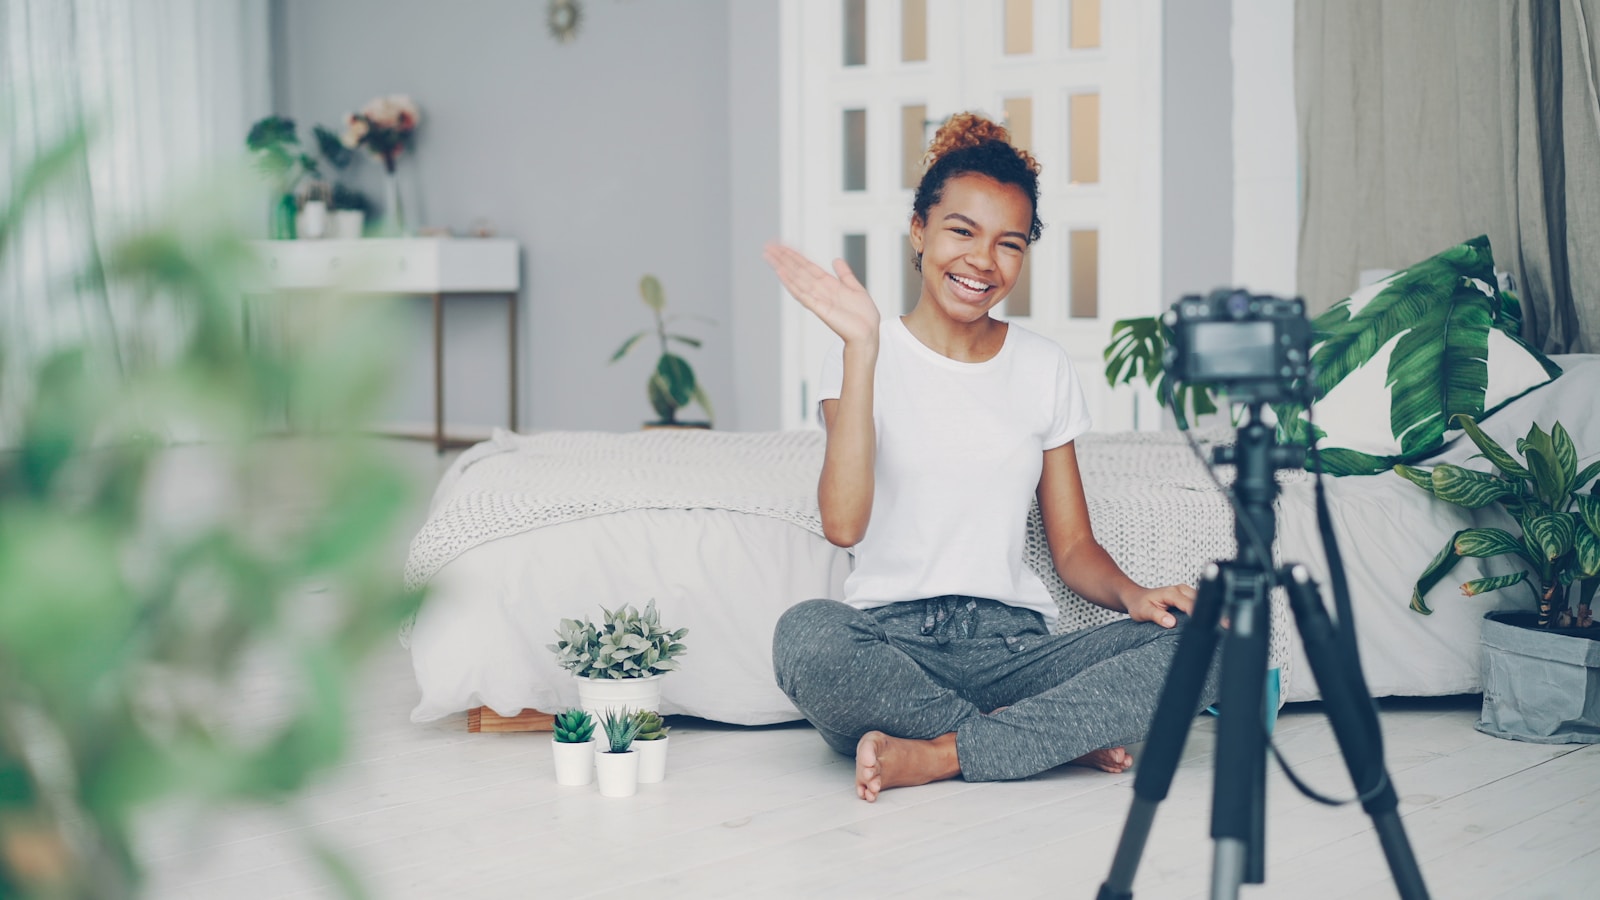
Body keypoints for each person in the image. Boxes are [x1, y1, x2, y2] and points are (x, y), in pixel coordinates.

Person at [764, 112, 1218, 803]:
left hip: (1016, 652)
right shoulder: (860, 353)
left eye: (1009, 243)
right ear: (919, 231)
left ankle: (941, 753)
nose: (983, 261)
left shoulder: (1042, 366)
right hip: (893, 648)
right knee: (805, 637)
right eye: (961, 231)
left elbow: (1072, 546)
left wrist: (1134, 594)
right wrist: (861, 348)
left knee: (1213, 638)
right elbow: (844, 525)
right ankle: (1042, 737)